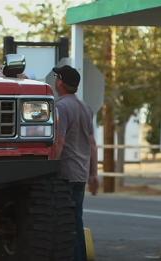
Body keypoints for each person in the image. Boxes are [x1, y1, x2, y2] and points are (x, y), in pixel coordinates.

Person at [52, 65, 99, 261]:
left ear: (60, 82)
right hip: (80, 173)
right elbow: (92, 144)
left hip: (65, 174)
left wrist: (49, 168)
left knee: (63, 223)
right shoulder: (85, 108)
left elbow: (59, 141)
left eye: (56, 78)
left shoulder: (61, 107)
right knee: (75, 219)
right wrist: (93, 174)